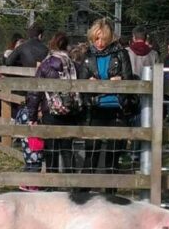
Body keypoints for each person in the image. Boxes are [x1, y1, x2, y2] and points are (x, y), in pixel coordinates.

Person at [18, 32, 83, 190]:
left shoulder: (46, 65)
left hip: (51, 112)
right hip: (70, 112)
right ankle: (71, 185)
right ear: (66, 46)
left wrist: (32, 116)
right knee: (67, 149)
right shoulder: (73, 64)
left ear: (52, 45)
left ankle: (52, 186)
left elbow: (35, 92)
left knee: (51, 150)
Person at [78, 19, 135, 181]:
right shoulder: (88, 55)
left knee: (113, 155)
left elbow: (129, 79)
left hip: (117, 107)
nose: (100, 43)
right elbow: (80, 82)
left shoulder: (121, 53)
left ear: (110, 38)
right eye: (97, 39)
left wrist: (120, 81)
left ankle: (111, 194)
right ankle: (83, 192)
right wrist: (88, 83)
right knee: (92, 153)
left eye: (104, 39)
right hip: (96, 107)